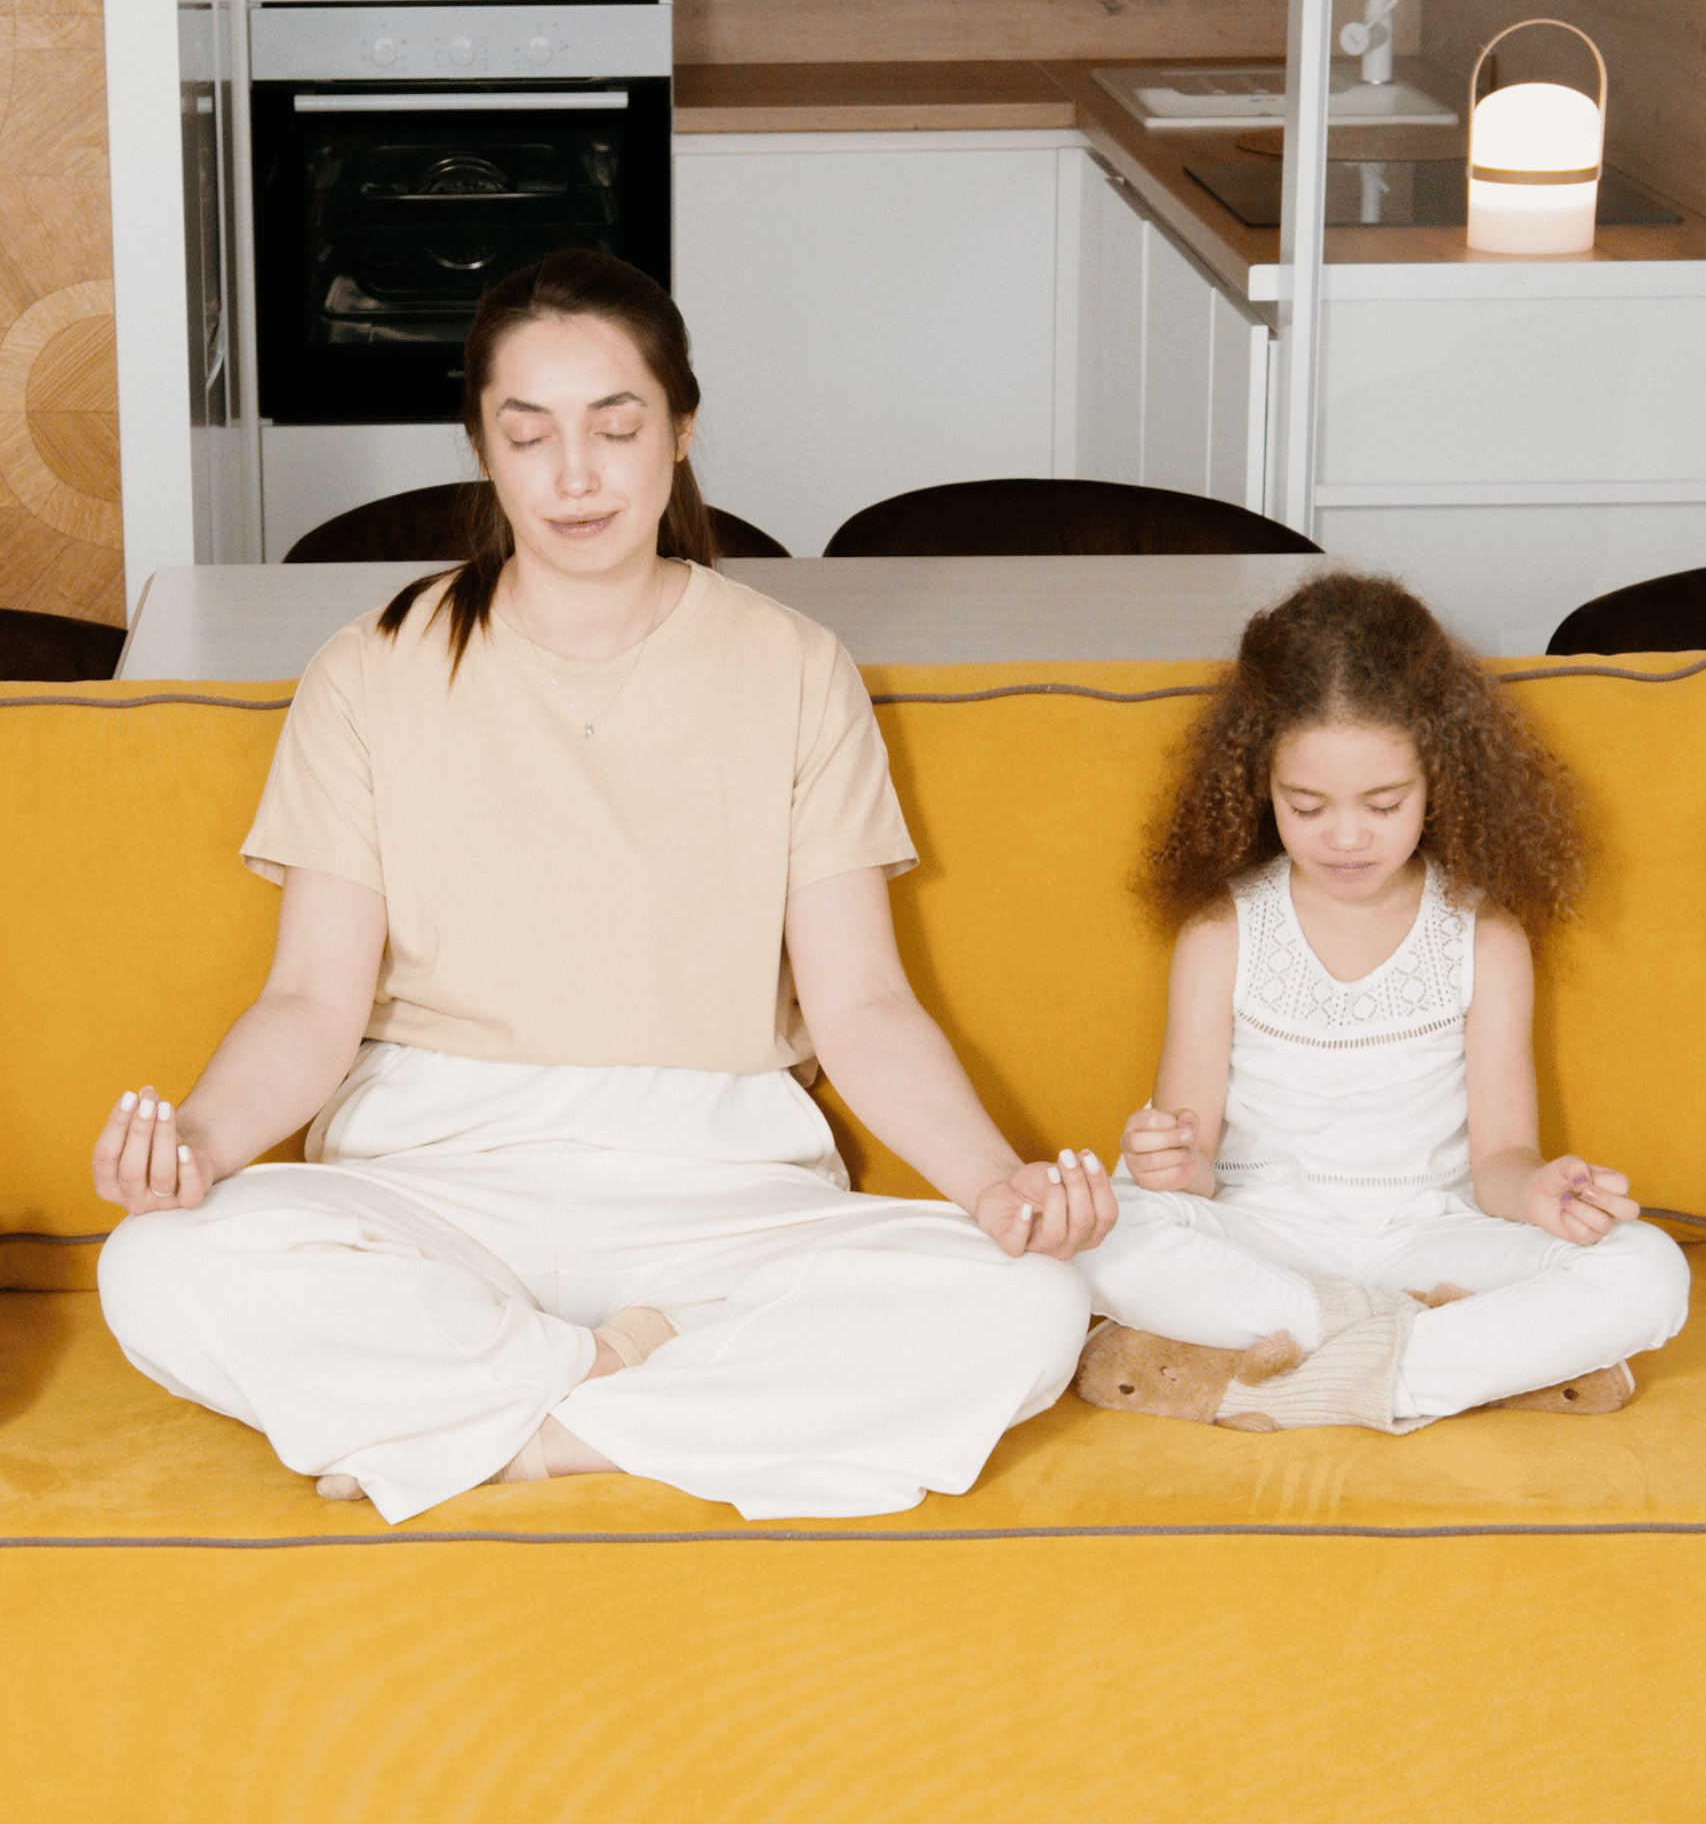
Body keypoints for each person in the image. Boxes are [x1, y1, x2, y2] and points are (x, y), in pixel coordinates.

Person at [94, 249, 1114, 1526]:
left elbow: (860, 1006)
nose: (573, 475)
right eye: (528, 435)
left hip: (719, 1181)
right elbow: (307, 1000)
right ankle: (634, 1393)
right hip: (434, 1173)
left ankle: (518, 1431)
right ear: (483, 446)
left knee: (1030, 1301)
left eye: (614, 426)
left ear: (680, 430)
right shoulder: (372, 667)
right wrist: (191, 1146)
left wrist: (992, 1184)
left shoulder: (794, 668)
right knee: (156, 1266)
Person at [1076, 567, 1691, 1431]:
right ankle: (1442, 1357)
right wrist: (1164, 1163)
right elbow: (1194, 1165)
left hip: (1426, 1235)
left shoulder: (1483, 933)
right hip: (1267, 1235)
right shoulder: (1222, 932)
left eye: (1383, 802)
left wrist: (1541, 1192)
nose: (1348, 836)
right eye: (1307, 805)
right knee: (1101, 1233)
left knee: (1650, 1269)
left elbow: (1501, 1160)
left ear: (1439, 777)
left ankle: (1293, 1375)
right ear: (1261, 785)